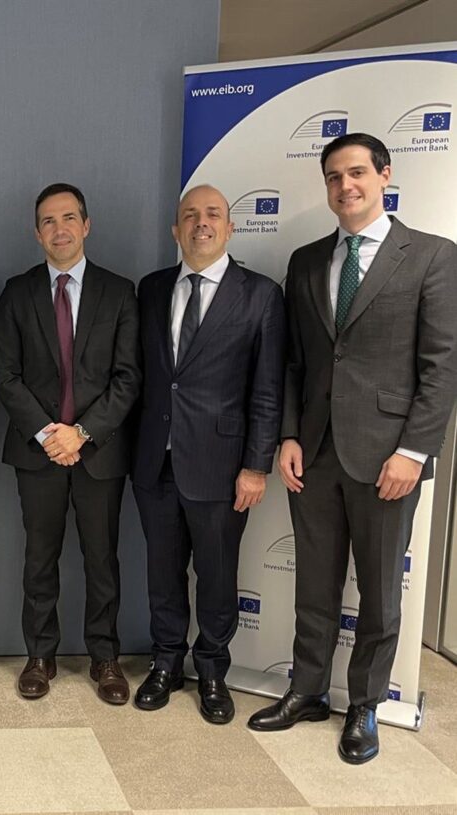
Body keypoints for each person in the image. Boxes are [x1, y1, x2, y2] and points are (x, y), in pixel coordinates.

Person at [248, 133, 457, 764]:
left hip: (389, 458)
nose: (346, 186)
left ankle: (364, 703)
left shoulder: (431, 256)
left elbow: (441, 366)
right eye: (335, 177)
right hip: (313, 453)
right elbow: (293, 363)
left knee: (379, 593)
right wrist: (288, 433)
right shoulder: (308, 260)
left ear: (385, 175)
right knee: (313, 584)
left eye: (358, 173)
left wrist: (414, 453)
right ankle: (307, 690)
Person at [132, 185, 285, 723]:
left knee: (218, 577)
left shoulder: (261, 295)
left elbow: (268, 390)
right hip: (155, 461)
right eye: (190, 216)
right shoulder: (151, 290)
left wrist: (255, 465)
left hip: (223, 468)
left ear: (229, 228)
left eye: (213, 214)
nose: (201, 223)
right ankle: (166, 663)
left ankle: (213, 670)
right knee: (162, 572)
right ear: (176, 230)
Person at [0, 182, 141, 704]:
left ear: (87, 225)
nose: (60, 229)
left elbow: (127, 378)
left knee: (103, 560)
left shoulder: (119, 292)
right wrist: (49, 434)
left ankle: (105, 657)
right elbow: (5, 374)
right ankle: (40, 655)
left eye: (69, 218)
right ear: (37, 233)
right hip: (38, 454)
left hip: (99, 451)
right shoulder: (17, 291)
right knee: (39, 558)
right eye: (49, 221)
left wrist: (82, 432)